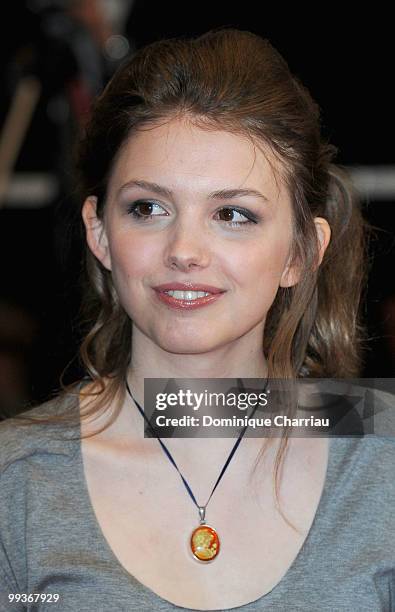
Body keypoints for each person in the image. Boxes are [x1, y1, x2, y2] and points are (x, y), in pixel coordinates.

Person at [0, 28, 394, 612]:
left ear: (301, 252)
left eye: (233, 213)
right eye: (149, 208)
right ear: (100, 233)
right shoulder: (17, 481)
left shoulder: (381, 456)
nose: (184, 250)